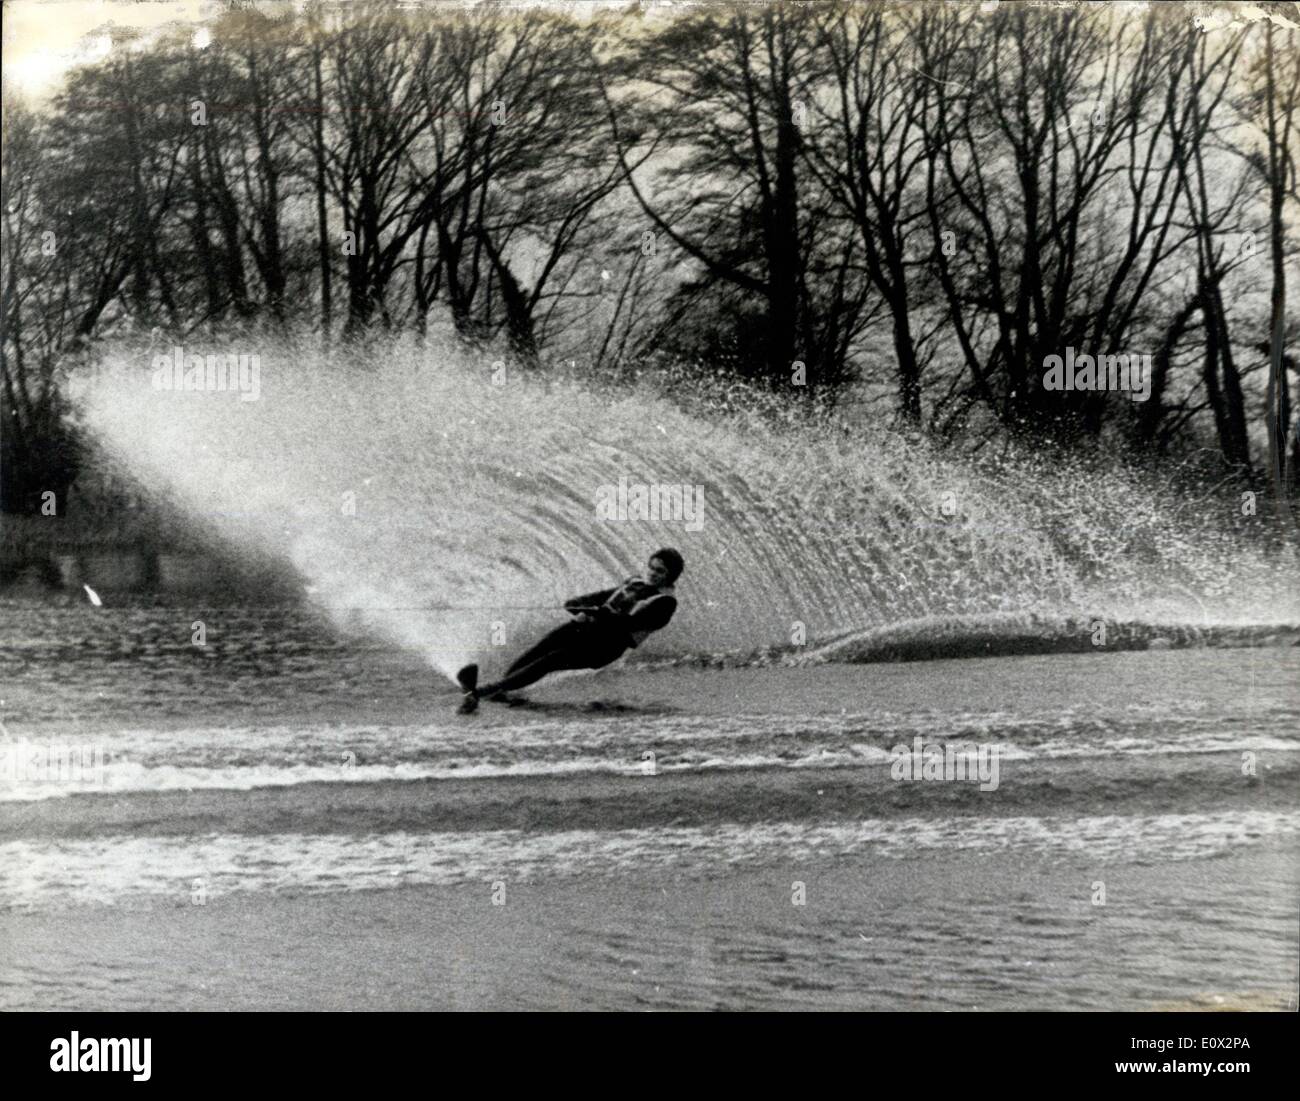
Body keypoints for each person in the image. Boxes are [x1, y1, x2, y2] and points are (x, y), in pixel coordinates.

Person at [456, 548, 684, 713]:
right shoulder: (636, 582)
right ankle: (499, 690)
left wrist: (596, 614)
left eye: (660, 572)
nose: (653, 573)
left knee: (552, 660)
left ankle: (481, 692)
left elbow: (627, 624)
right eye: (652, 568)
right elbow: (605, 596)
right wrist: (578, 602)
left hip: (606, 647)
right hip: (584, 628)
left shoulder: (665, 603)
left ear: (670, 576)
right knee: (540, 649)